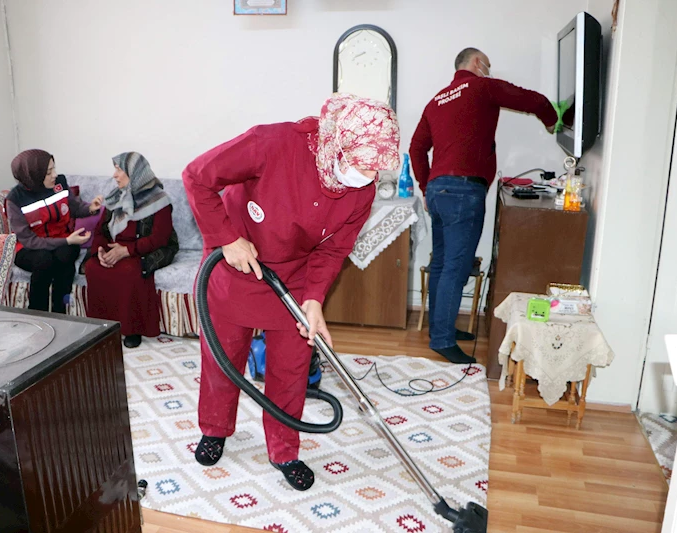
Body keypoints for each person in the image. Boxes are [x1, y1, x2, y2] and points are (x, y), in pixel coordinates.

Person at [183, 94, 400, 491]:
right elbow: (197, 176)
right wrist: (226, 239)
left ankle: (284, 449)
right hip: (237, 261)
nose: (368, 174)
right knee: (222, 356)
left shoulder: (361, 191)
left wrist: (314, 299)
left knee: (291, 367)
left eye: (376, 167)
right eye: (363, 162)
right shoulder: (273, 144)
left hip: (295, 278)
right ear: (338, 144)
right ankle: (215, 429)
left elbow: (334, 249)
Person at [409, 47, 557, 365]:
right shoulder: (482, 86)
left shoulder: (437, 100)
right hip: (464, 190)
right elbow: (533, 100)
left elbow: (416, 148)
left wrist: (425, 186)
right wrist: (553, 120)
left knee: (442, 264)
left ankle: (440, 329)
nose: (489, 71)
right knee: (455, 266)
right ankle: (443, 339)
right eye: (487, 66)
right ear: (477, 64)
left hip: (438, 189)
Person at [85, 152, 178, 349]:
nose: (114, 175)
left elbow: (160, 238)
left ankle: (131, 329)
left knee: (129, 271)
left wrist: (127, 250)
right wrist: (100, 251)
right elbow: (100, 230)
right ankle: (103, 327)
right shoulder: (116, 197)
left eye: (119, 169)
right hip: (115, 248)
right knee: (94, 267)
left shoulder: (159, 200)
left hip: (143, 249)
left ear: (134, 173)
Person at [6, 149, 102, 313]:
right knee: (44, 260)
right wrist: (66, 241)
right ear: (33, 175)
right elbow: (30, 241)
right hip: (30, 248)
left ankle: (61, 311)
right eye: (49, 172)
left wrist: (91, 209)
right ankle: (38, 313)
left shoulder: (59, 183)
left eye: (54, 169)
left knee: (65, 255)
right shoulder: (15, 199)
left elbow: (74, 207)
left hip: (63, 242)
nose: (54, 175)